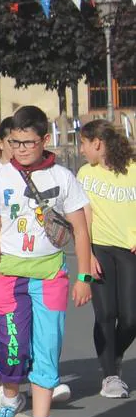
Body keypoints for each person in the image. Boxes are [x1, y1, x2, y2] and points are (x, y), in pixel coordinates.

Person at [0, 106, 93, 417]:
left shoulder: (62, 177)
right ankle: (10, 397)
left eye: (28, 142)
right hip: (11, 277)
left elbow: (81, 230)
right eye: (15, 142)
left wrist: (83, 276)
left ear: (45, 140)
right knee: (13, 348)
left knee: (48, 347)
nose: (22, 149)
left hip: (51, 275)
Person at [78, 119, 136, 399]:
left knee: (131, 318)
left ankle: (113, 354)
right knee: (105, 314)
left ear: (97, 143)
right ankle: (110, 376)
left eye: (83, 143)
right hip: (98, 249)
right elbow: (81, 218)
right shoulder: (84, 174)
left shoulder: (134, 170)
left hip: (129, 251)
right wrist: (86, 254)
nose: (81, 150)